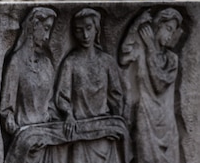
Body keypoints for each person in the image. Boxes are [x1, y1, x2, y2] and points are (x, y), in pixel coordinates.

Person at [55, 8, 124, 163]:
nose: (85, 35)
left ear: (96, 29)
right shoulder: (70, 62)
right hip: (80, 133)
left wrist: (115, 123)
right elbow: (62, 97)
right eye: (79, 30)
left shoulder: (107, 62)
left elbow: (116, 97)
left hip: (104, 134)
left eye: (88, 28)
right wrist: (69, 115)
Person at [119, 8, 183, 163]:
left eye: (172, 31)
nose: (169, 36)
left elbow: (159, 83)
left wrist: (151, 47)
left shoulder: (172, 60)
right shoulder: (140, 50)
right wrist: (135, 25)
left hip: (167, 124)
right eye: (167, 28)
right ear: (157, 25)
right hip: (145, 119)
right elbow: (123, 57)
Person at [0, 7, 57, 162]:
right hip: (25, 145)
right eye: (45, 29)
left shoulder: (46, 64)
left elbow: (51, 104)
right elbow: (6, 110)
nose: (47, 36)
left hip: (46, 142)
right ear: (34, 25)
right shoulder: (16, 63)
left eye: (49, 30)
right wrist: (13, 124)